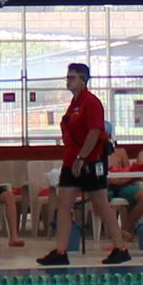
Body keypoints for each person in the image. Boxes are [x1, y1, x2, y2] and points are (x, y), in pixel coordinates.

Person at [41, 60, 128, 267]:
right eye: (67, 77)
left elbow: (95, 131)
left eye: (72, 77)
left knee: (101, 204)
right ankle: (61, 251)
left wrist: (82, 157)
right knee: (63, 204)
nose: (68, 81)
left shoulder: (91, 102)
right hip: (71, 161)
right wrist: (75, 159)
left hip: (90, 161)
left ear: (83, 80)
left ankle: (121, 247)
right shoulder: (74, 104)